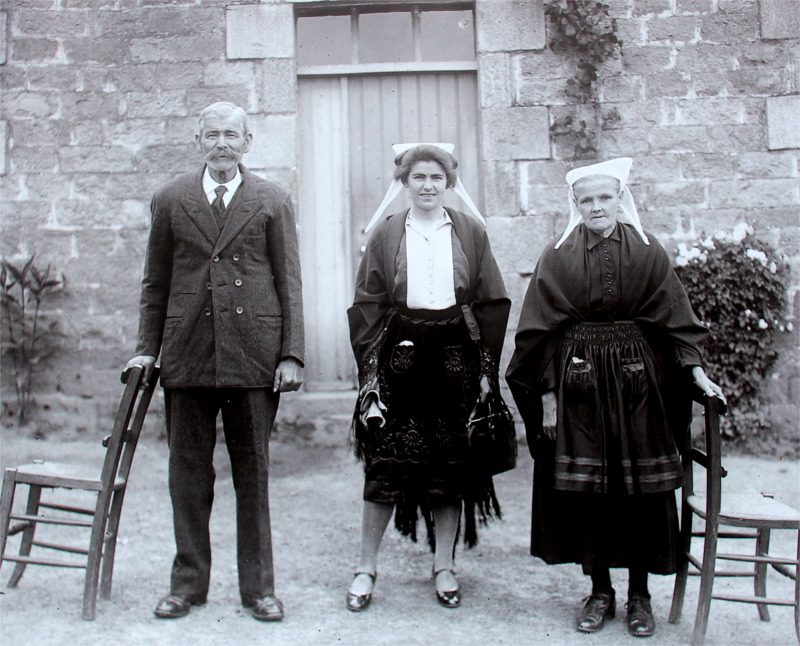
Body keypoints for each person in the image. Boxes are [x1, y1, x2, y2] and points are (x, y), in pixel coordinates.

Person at [506, 157, 724, 638]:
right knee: (590, 493)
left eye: (606, 198)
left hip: (638, 387)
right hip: (578, 387)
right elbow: (536, 335)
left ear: (621, 198)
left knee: (640, 491)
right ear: (575, 205)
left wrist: (698, 373)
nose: (597, 207)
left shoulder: (648, 252)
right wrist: (545, 398)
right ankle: (600, 590)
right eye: (587, 200)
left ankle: (640, 596)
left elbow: (676, 318)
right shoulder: (557, 257)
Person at [126, 102, 304, 622]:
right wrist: (147, 347)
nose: (222, 143)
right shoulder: (171, 199)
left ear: (247, 142)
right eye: (212, 134)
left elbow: (288, 281)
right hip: (188, 355)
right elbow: (154, 283)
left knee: (254, 475)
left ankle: (259, 590)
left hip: (254, 356)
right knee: (187, 476)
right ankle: (187, 585)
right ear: (197, 140)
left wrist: (291, 353)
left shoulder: (271, 199)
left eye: (232, 134)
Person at [345, 143, 510, 611]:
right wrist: (372, 374)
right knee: (384, 463)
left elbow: (491, 299)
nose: (427, 186)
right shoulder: (387, 233)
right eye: (418, 177)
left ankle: (444, 566)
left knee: (449, 465)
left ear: (449, 183)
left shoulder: (470, 232)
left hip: (454, 358)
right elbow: (368, 303)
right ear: (404, 182)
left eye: (436, 178)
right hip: (400, 356)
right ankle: (365, 568)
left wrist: (484, 371)